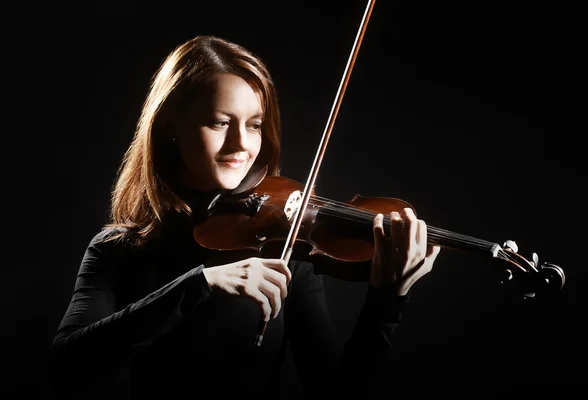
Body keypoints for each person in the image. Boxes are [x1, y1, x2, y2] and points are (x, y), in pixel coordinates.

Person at [50, 35, 440, 399]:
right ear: (172, 126)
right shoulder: (118, 249)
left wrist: (387, 302)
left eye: (254, 125)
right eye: (221, 122)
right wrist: (200, 283)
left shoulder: (284, 248)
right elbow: (66, 368)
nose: (242, 144)